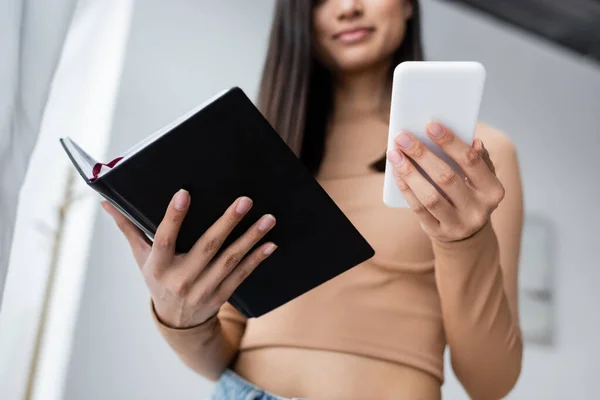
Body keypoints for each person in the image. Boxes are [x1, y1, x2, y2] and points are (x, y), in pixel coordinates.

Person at [102, 0, 524, 398]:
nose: (348, 8)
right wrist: (179, 317)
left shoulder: (476, 156)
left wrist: (464, 241)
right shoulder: (255, 143)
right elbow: (221, 355)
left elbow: (490, 383)